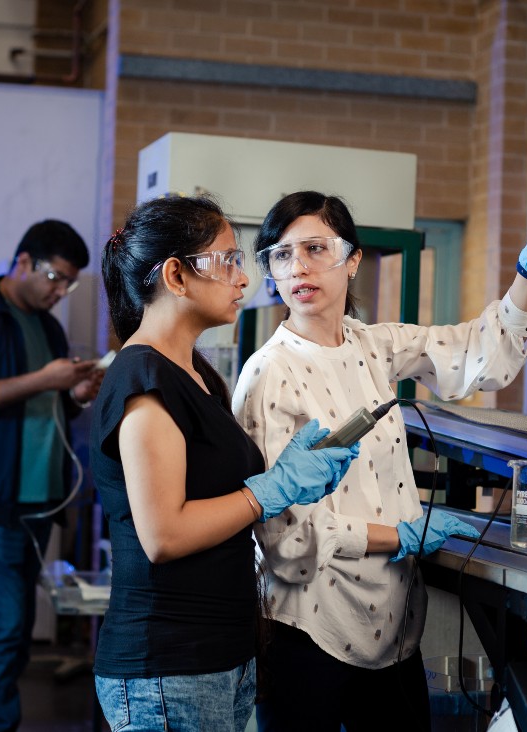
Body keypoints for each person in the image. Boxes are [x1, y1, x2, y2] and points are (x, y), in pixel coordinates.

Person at [232, 185, 527, 731]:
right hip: (309, 629)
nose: (298, 267)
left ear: (352, 260)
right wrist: (400, 536)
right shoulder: (268, 372)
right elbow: (287, 539)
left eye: (316, 248)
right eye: (281, 255)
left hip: (394, 626)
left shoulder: (373, 345)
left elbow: (478, 353)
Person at [91, 195, 359, 731]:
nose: (243, 278)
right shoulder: (144, 379)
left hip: (220, 654)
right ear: (176, 276)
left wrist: (284, 479)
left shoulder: (194, 373)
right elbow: (163, 535)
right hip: (169, 662)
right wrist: (267, 492)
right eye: (228, 260)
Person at [0, 219, 104, 732]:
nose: (59, 291)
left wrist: (73, 395)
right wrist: (44, 379)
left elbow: (47, 408)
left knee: (19, 625)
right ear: (23, 262)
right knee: (3, 626)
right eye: (55, 278)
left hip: (40, 500)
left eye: (69, 283)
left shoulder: (48, 328)